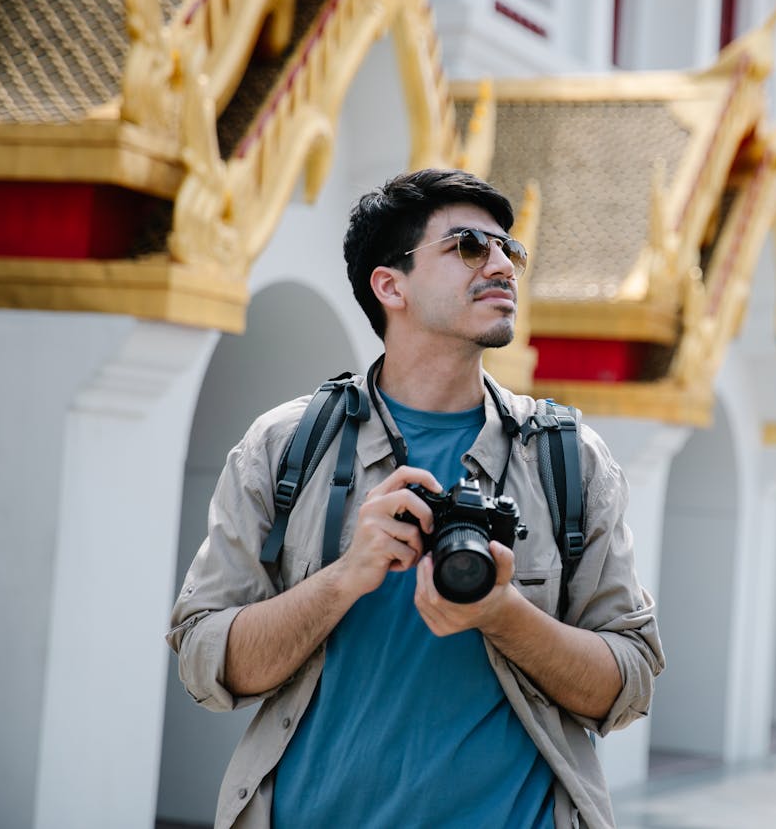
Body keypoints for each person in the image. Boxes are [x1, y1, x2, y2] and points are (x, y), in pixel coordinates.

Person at [168, 168, 664, 829]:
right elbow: (205, 659)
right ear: (390, 285)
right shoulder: (284, 447)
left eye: (507, 249)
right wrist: (345, 576)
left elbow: (629, 681)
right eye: (467, 245)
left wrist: (503, 613)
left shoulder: (569, 460)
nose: (501, 265)